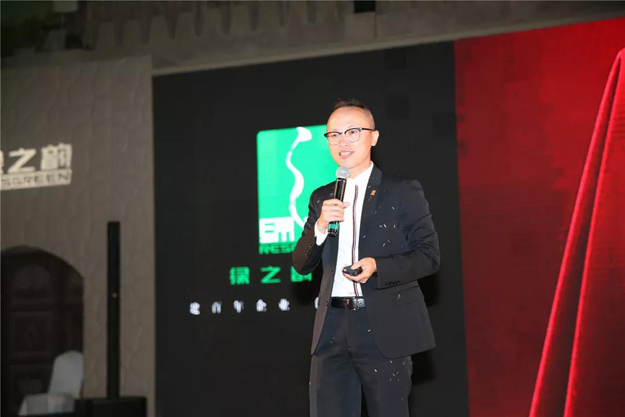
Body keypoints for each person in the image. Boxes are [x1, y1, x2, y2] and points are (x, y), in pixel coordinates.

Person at [292, 98, 440, 417]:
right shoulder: (321, 197)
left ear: (373, 137)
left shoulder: (402, 191)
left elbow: (428, 256)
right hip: (331, 326)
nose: (342, 142)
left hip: (383, 324)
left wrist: (378, 267)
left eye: (352, 132)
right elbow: (301, 264)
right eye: (334, 135)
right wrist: (320, 226)